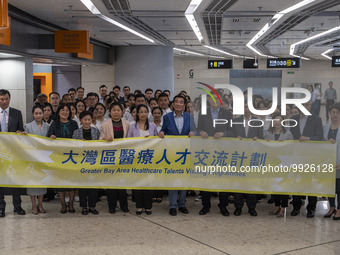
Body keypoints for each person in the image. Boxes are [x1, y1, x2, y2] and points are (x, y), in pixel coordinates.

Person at [159, 95, 196, 216]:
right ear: (173, 104)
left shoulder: (190, 117)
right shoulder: (167, 117)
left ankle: (182, 204)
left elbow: (195, 130)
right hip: (172, 153)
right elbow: (164, 130)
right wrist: (161, 133)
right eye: (177, 102)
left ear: (184, 105)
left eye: (181, 102)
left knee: (184, 179)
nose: (179, 104)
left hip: (186, 153)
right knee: (173, 179)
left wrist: (193, 132)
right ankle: (173, 205)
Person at [197, 92, 232, 217]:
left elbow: (232, 130)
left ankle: (223, 206)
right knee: (206, 178)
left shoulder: (227, 113)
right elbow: (198, 128)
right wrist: (200, 132)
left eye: (217, 98)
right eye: (212, 98)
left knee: (222, 179)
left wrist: (224, 133)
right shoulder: (203, 112)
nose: (214, 100)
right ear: (208, 100)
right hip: (207, 151)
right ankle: (206, 206)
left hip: (222, 151)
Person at [290, 100, 323, 218]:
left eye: (307, 105)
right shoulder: (293, 119)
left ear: (310, 106)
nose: (305, 106)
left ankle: (311, 208)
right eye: (303, 105)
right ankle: (296, 207)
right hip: (296, 155)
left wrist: (308, 138)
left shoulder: (316, 119)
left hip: (310, 156)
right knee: (296, 181)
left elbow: (320, 137)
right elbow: (290, 136)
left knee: (310, 182)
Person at [230, 101, 263, 217]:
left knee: (251, 183)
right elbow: (230, 136)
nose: (246, 109)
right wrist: (235, 138)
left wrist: (257, 138)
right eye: (244, 106)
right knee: (239, 183)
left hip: (253, 156)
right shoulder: (235, 121)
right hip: (239, 156)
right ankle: (238, 207)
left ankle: (251, 207)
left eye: (249, 107)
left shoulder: (258, 122)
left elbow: (262, 138)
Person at [47, 103, 79, 214]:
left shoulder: (74, 123)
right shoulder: (54, 124)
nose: (65, 112)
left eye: (67, 110)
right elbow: (47, 138)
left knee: (71, 181)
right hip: (59, 157)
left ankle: (70, 204)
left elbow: (77, 138)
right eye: (62, 110)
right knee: (60, 182)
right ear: (58, 112)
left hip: (72, 157)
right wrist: (51, 137)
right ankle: (63, 204)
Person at [99, 102, 130, 214]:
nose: (116, 112)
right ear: (110, 112)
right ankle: (111, 206)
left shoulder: (127, 124)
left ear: (122, 112)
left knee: (122, 183)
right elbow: (99, 140)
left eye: (118, 110)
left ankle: (124, 205)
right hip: (110, 157)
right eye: (114, 110)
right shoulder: (105, 124)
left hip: (123, 156)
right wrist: (104, 138)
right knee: (111, 183)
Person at [128, 104, 158, 215]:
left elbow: (156, 141)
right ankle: (139, 206)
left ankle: (148, 206)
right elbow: (128, 142)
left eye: (145, 112)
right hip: (137, 159)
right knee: (138, 183)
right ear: (137, 114)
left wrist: (153, 138)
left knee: (148, 184)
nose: (143, 114)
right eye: (141, 112)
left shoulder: (152, 126)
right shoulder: (132, 126)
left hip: (149, 158)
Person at [0, 89, 26, 217]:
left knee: (16, 179)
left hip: (13, 153)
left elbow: (21, 130)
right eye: (2, 99)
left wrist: (21, 133)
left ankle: (17, 206)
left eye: (6, 99)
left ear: (10, 99)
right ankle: (1, 207)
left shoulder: (17, 113)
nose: (4, 101)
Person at [264, 113, 293, 217]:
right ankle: (276, 205)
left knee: (283, 186)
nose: (277, 122)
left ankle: (283, 207)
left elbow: (292, 148)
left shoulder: (288, 134)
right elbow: (264, 148)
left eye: (280, 120)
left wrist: (284, 143)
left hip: (284, 162)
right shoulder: (267, 133)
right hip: (272, 162)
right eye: (275, 120)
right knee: (274, 185)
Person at [72, 110, 100, 215]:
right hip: (81, 162)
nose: (87, 122)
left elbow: (100, 145)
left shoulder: (96, 131)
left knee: (93, 186)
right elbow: (73, 147)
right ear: (81, 120)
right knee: (83, 186)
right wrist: (80, 144)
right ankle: (84, 206)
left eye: (89, 119)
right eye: (85, 119)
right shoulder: (76, 132)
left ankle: (92, 206)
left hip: (93, 162)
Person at [24, 105, 49, 215]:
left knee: (42, 182)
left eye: (40, 113)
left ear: (43, 114)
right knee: (32, 183)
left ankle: (41, 205)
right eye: (36, 113)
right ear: (33, 114)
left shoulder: (48, 126)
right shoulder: (28, 126)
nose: (38, 115)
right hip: (32, 159)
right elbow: (24, 143)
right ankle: (34, 205)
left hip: (43, 159)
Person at [323, 103, 340, 220]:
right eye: (333, 112)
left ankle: (339, 209)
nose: (335, 114)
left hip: (339, 163)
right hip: (328, 162)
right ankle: (331, 207)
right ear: (330, 113)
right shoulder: (325, 127)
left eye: (337, 112)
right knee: (329, 187)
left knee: (339, 188)